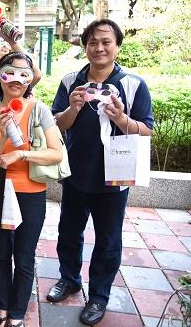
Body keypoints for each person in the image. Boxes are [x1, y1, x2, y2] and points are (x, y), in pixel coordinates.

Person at [48, 19, 153, 326]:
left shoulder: (133, 84)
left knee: (108, 239)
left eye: (106, 42)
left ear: (117, 46)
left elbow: (146, 129)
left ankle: (99, 296)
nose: (99, 48)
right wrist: (73, 108)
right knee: (69, 232)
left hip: (115, 175)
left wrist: (121, 118)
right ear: (85, 47)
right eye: (93, 42)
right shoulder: (71, 81)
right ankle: (69, 279)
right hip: (76, 172)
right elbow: (57, 123)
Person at [0, 52, 63, 327]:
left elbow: (56, 153)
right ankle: (3, 306)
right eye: (9, 72)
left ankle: (17, 313)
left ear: (29, 79)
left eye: (23, 73)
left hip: (31, 193)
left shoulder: (39, 110)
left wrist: (20, 154)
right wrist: (3, 135)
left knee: (24, 256)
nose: (16, 79)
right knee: (1, 254)